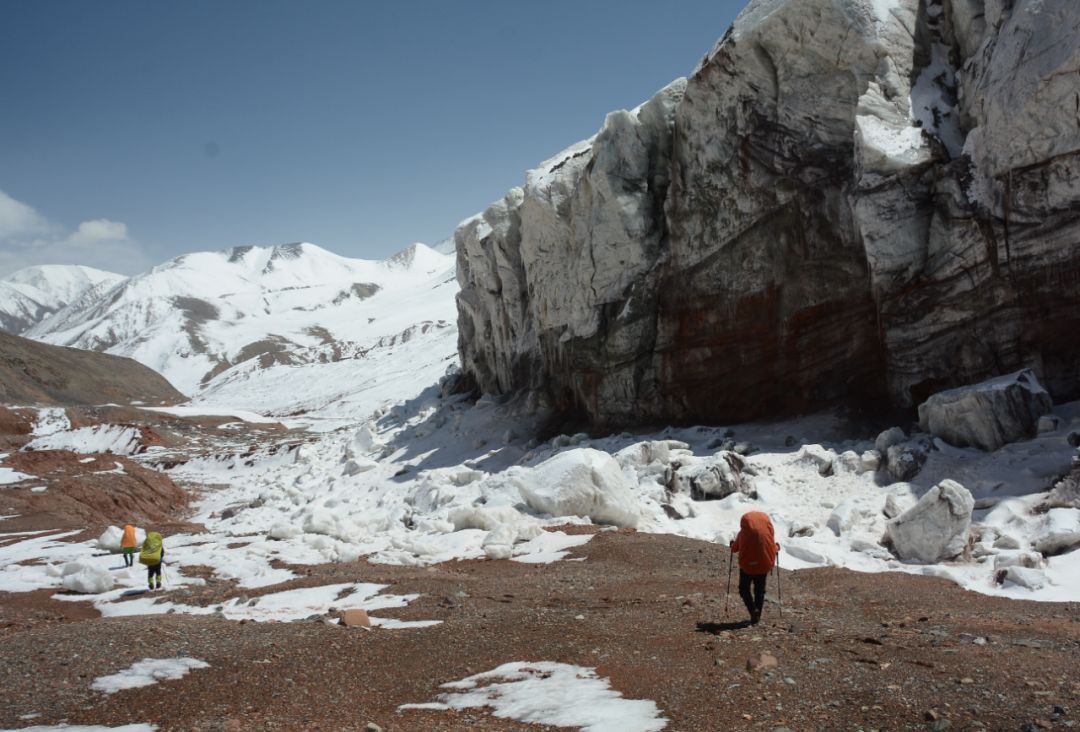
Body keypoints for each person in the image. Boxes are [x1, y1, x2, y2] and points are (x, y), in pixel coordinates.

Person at [729, 511, 780, 625]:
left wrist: (732, 545)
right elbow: (772, 547)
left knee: (744, 589)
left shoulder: (743, 534)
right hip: (763, 565)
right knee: (759, 591)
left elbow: (735, 548)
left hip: (747, 566)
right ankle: (757, 616)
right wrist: (777, 547)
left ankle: (753, 610)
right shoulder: (767, 533)